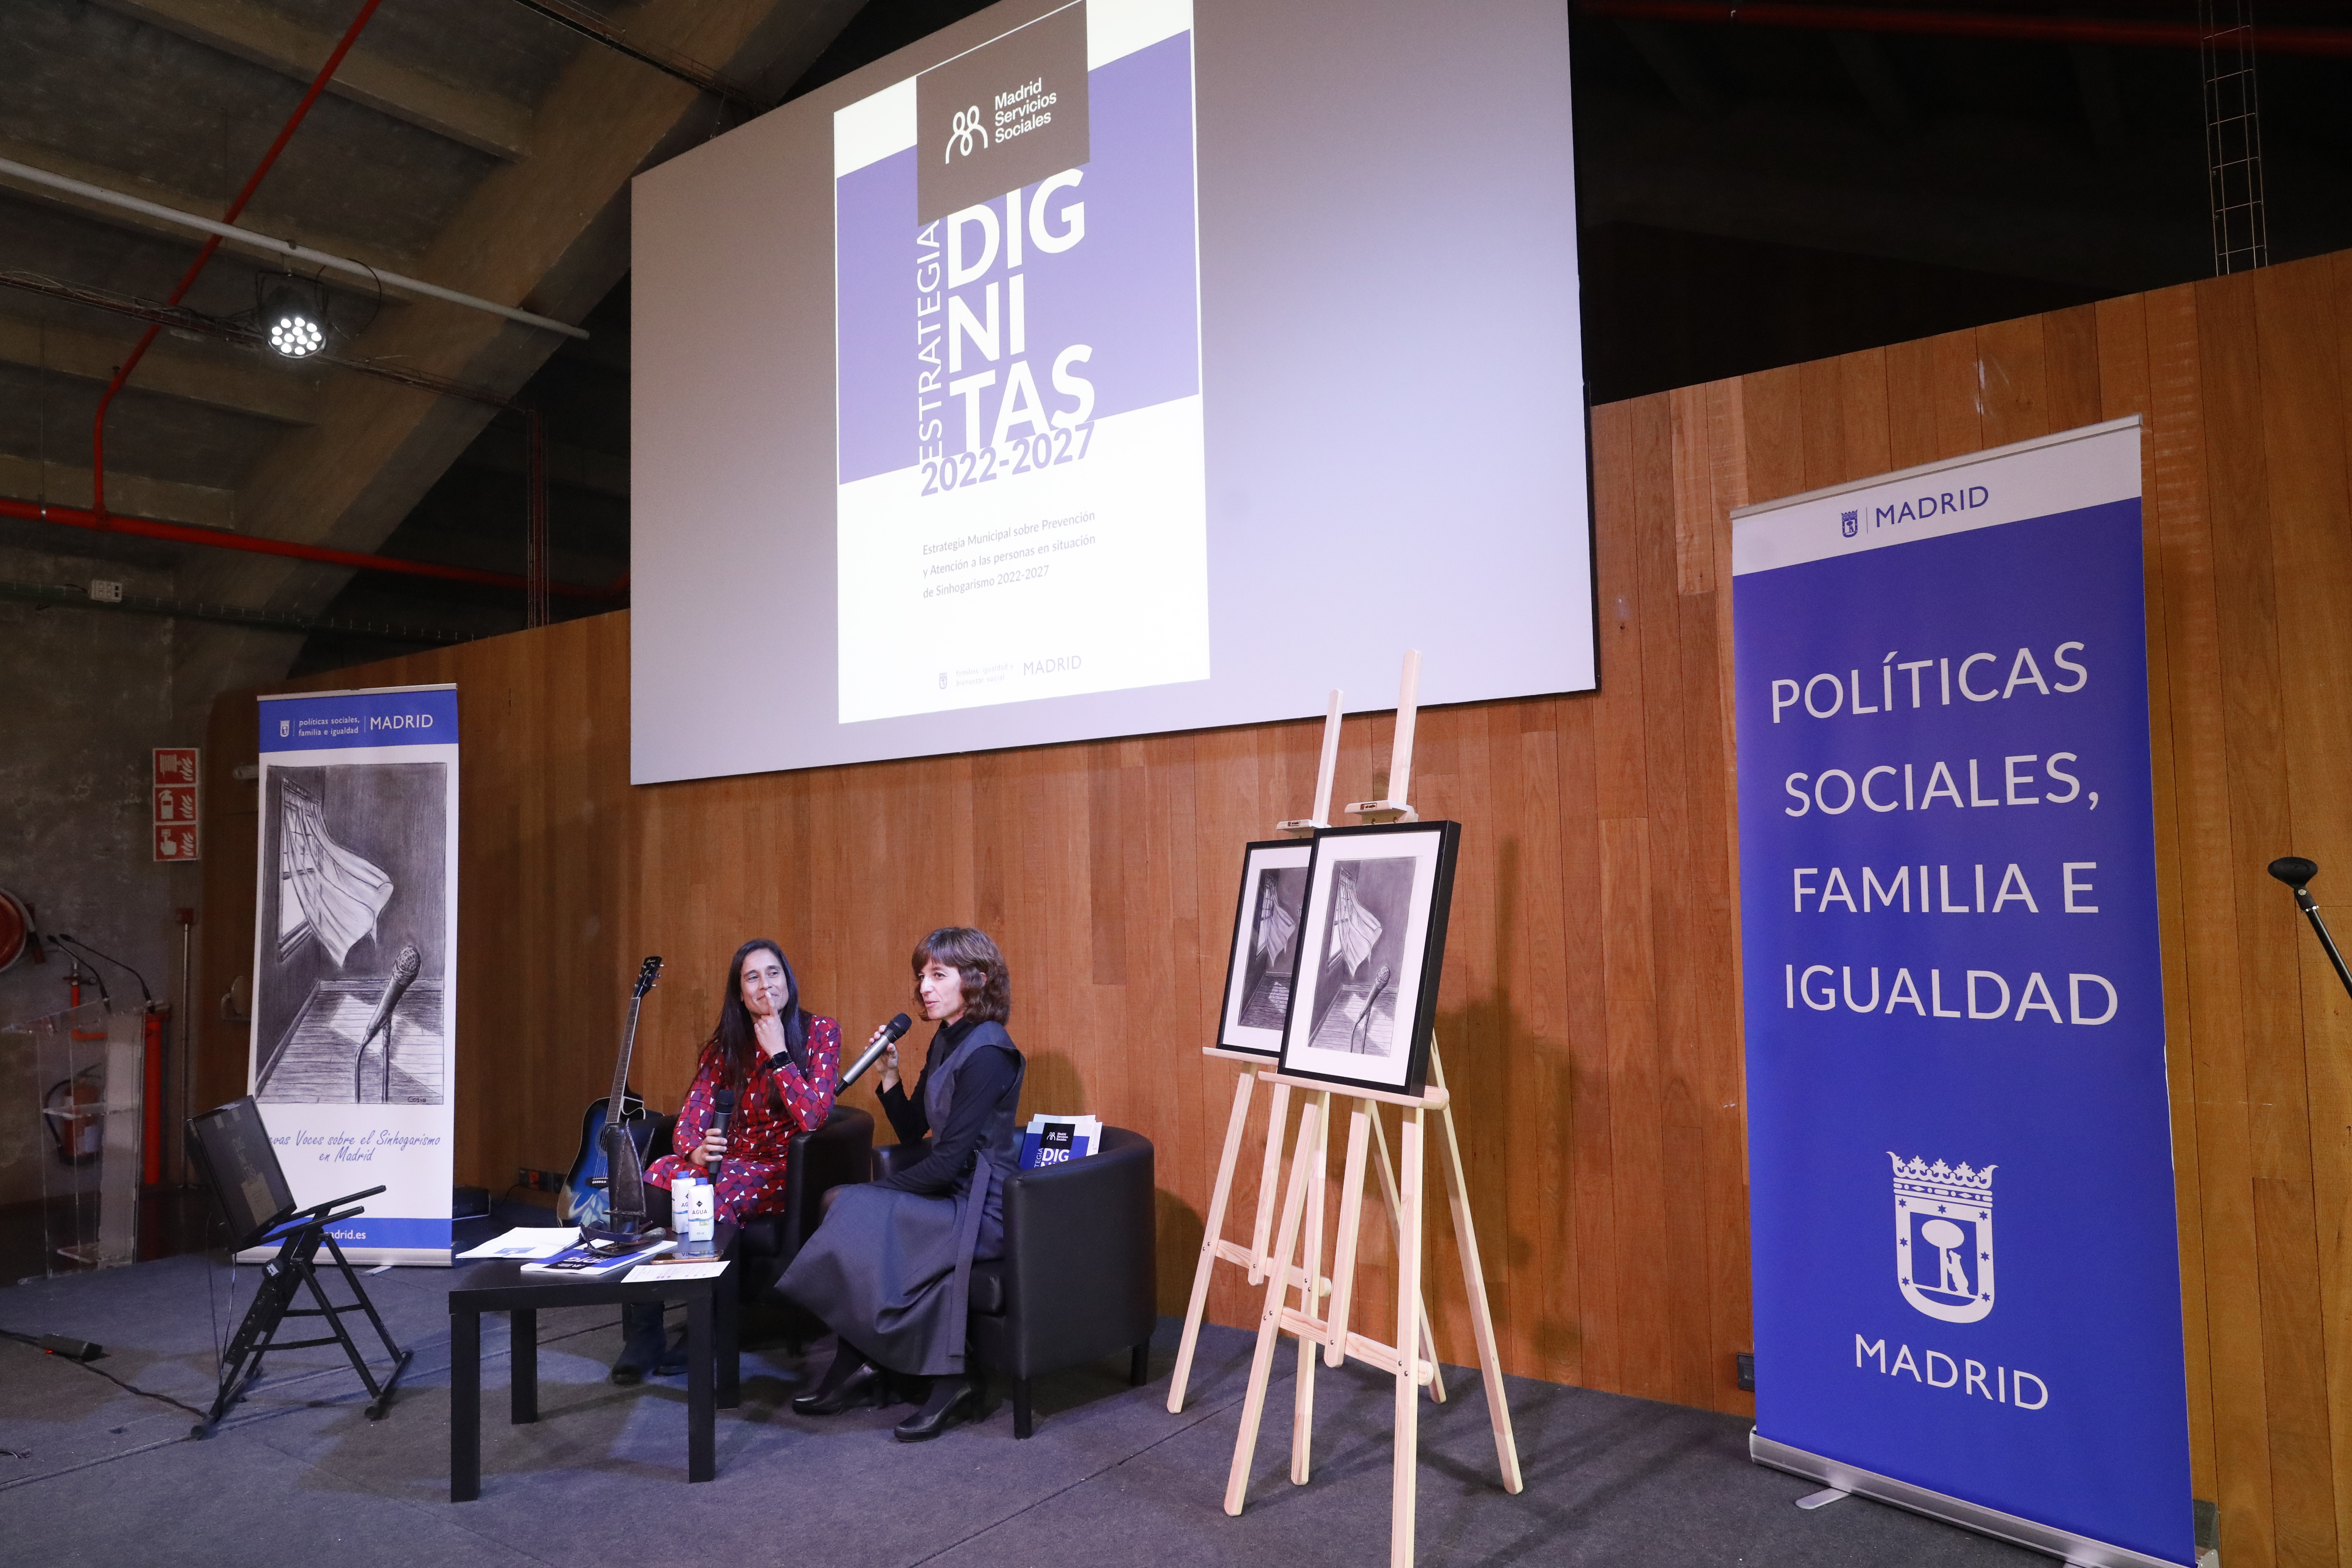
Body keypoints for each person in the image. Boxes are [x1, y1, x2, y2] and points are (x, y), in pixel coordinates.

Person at [777, 927, 1023, 1440]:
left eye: (939, 975)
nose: (924, 987)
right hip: (950, 1193)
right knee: (851, 1208)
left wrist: (872, 1196)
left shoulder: (990, 1052)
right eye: (922, 976)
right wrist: (890, 1075)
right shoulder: (946, 1038)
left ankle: (871, 1365)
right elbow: (914, 1131)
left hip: (982, 1206)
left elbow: (950, 1161)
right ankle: (872, 1364)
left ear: (977, 979)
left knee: (848, 1204)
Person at [610, 939, 840, 1384]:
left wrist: (779, 1054)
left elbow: (814, 1117)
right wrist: (696, 1150)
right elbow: (689, 1120)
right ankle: (645, 1329)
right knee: (657, 1174)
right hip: (729, 1163)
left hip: (783, 1170)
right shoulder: (725, 1048)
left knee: (709, 1195)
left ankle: (712, 1323)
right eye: (752, 977)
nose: (765, 985)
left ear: (788, 980)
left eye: (773, 973)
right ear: (740, 992)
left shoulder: (820, 1033)